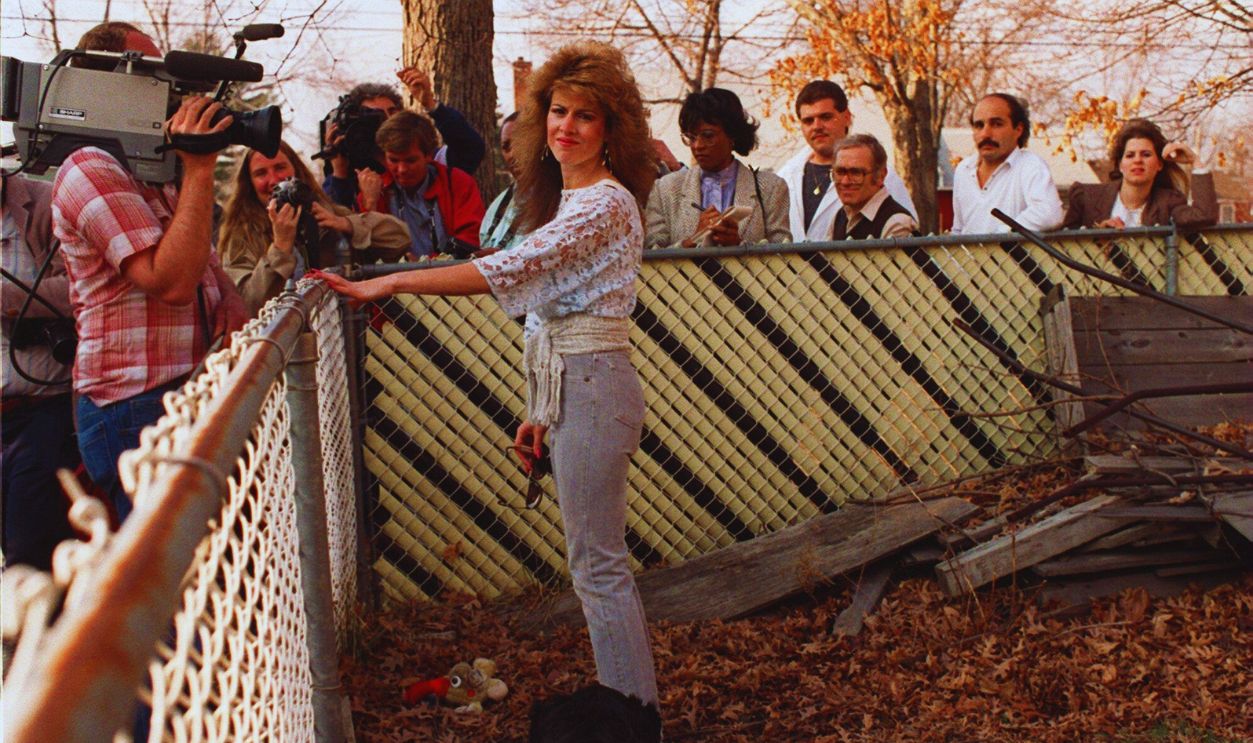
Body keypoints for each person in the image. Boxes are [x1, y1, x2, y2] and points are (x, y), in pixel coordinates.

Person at [315, 40, 661, 711]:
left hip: (594, 386)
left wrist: (387, 281)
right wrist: (538, 411)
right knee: (593, 565)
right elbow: (545, 312)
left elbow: (500, 271)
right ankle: (625, 707)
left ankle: (631, 717)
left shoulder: (603, 204)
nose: (566, 126)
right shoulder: (573, 198)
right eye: (557, 111)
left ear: (611, 128)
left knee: (598, 567)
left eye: (584, 116)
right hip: (571, 388)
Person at [52, 22, 247, 521]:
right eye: (149, 74)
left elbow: (196, 259)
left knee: (206, 551)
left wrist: (224, 291)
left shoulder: (150, 168)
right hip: (134, 404)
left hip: (180, 387)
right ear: (109, 82)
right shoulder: (89, 166)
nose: (166, 90)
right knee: (169, 567)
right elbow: (171, 282)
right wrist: (201, 168)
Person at [217, 140, 410, 315]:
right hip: (285, 347)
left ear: (297, 172)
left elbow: (400, 240)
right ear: (249, 184)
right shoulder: (241, 236)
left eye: (280, 167)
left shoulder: (326, 214)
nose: (274, 180)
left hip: (338, 337)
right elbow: (246, 304)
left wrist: (346, 224)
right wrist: (280, 248)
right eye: (261, 173)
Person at [1, 175, 79, 569]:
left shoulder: (46, 202)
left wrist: (8, 299)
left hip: (44, 406)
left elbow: (81, 287)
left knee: (27, 552)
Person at [644, 87, 790, 248]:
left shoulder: (770, 188)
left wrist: (740, 245)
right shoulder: (665, 189)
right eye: (691, 138)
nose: (697, 146)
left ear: (732, 134)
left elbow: (783, 254)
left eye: (708, 136)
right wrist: (692, 241)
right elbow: (651, 257)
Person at [776, 80, 916, 241]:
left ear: (847, 117)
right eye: (808, 120)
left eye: (826, 117)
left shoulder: (882, 175)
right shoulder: (786, 176)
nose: (817, 126)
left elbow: (905, 232)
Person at [323, 71, 486, 209]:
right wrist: (339, 172)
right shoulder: (353, 172)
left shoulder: (428, 160)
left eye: (393, 111)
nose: (387, 120)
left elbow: (471, 149)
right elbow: (337, 223)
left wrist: (431, 105)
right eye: (375, 116)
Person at [359, 111, 485, 259]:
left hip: (448, 276)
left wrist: (423, 265)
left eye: (410, 161)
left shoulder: (457, 183)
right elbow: (365, 252)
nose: (402, 169)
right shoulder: (375, 191)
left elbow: (469, 240)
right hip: (393, 278)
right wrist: (370, 206)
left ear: (428, 155)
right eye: (393, 160)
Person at [1063, 118, 1218, 231]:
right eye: (1130, 155)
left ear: (1159, 164)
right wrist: (1097, 237)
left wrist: (1195, 161)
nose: (1137, 160)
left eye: (1146, 154)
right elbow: (1063, 246)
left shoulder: (1169, 203)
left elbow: (1204, 216)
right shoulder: (1086, 197)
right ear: (1120, 165)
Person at [952, 93, 1063, 235]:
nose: (985, 134)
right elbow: (959, 228)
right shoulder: (963, 170)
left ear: (1018, 129)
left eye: (997, 124)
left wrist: (1000, 237)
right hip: (967, 256)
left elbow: (1049, 213)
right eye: (979, 125)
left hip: (1009, 256)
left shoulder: (1030, 165)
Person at [829, 134, 919, 240]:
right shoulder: (839, 217)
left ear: (880, 175)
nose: (845, 181)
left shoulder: (897, 223)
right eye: (840, 172)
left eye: (855, 173)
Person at [479, 112, 526, 252]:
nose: (513, 154)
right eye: (506, 147)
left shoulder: (561, 199)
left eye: (520, 142)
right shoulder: (497, 206)